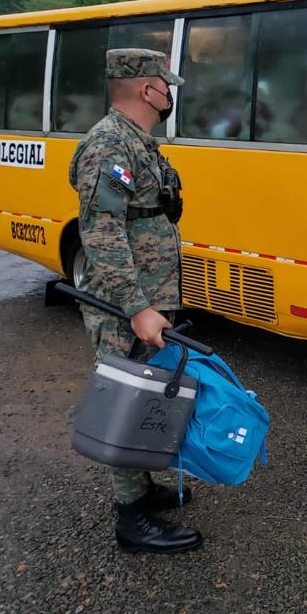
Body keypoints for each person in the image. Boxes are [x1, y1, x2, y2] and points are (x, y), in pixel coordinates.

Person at [68, 48, 202, 555]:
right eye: (165, 85)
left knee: (147, 391)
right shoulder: (109, 145)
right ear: (148, 90)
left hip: (148, 294)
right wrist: (136, 306)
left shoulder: (135, 141)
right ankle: (131, 519)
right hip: (125, 303)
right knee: (127, 397)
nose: (169, 94)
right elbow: (100, 233)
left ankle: (141, 487)